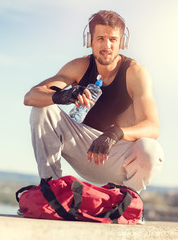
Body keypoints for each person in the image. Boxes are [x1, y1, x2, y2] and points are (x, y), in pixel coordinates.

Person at [23, 10, 164, 193]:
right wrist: (62, 96)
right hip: (83, 150)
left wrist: (115, 133)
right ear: (89, 40)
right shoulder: (79, 66)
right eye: (100, 38)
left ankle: (127, 199)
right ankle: (51, 190)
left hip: (116, 157)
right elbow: (31, 97)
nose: (107, 46)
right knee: (42, 109)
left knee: (151, 150)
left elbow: (153, 127)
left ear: (122, 42)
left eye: (113, 39)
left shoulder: (135, 72)